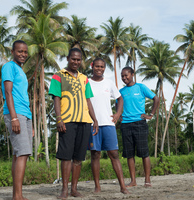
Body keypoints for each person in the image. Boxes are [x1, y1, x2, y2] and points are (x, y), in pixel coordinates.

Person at [49, 48, 98, 199]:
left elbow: (88, 100)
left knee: (78, 157)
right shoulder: (58, 76)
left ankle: (74, 189)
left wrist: (94, 120)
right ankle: (64, 189)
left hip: (84, 121)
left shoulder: (84, 78)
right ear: (68, 58)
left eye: (78, 60)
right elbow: (56, 98)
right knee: (66, 156)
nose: (76, 62)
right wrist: (59, 118)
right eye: (73, 59)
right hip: (67, 120)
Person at [88, 58, 129, 194]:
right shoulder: (86, 82)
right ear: (92, 66)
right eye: (97, 66)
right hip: (93, 124)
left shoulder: (109, 83)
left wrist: (118, 114)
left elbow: (120, 98)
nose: (99, 69)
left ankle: (123, 187)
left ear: (105, 68)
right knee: (95, 155)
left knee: (114, 154)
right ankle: (97, 187)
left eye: (102, 67)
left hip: (108, 124)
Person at [1, 40, 33, 200]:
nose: (23, 54)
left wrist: (30, 121)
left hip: (25, 114)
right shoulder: (9, 67)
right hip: (16, 113)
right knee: (23, 153)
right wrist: (14, 117)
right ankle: (17, 196)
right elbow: (8, 92)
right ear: (13, 51)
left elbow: (23, 95)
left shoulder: (21, 70)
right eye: (20, 51)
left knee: (19, 154)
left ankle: (17, 194)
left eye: (25, 52)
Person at [118, 66, 159, 188]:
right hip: (125, 125)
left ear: (132, 74)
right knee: (129, 154)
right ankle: (133, 181)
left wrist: (151, 114)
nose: (124, 78)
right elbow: (117, 104)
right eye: (122, 76)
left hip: (139, 124)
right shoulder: (121, 91)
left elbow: (156, 98)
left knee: (144, 152)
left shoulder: (140, 87)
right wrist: (119, 115)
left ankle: (147, 180)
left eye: (126, 75)